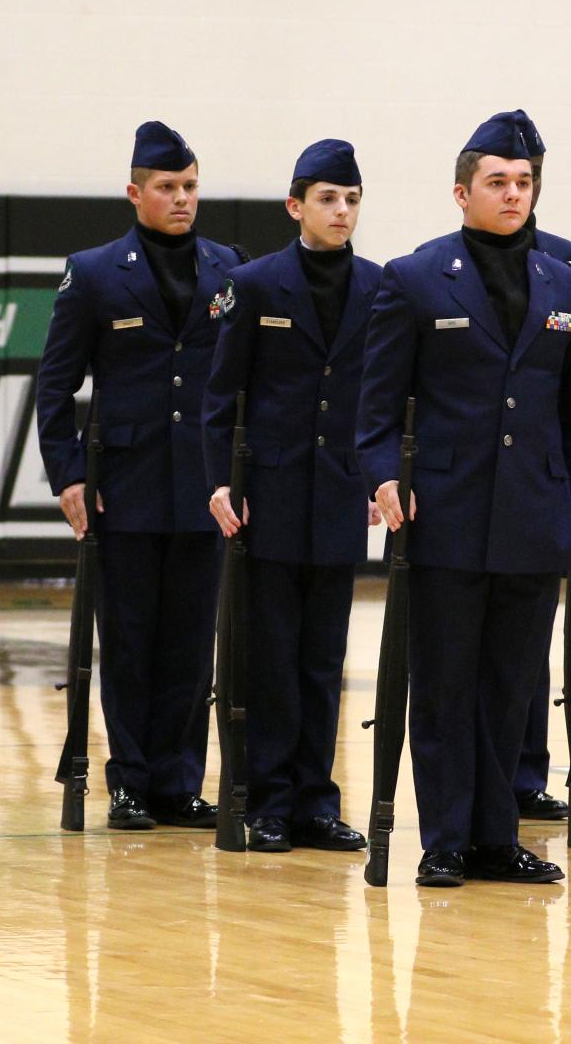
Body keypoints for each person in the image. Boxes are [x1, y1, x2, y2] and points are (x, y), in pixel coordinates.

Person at [356, 115, 571, 886]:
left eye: (524, 181)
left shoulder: (565, 278)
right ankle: (446, 838)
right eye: (497, 181)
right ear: (462, 192)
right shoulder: (416, 275)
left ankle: (498, 835)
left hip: (535, 509)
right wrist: (382, 475)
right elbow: (375, 404)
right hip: (448, 510)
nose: (513, 193)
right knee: (444, 684)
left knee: (512, 687)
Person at [35, 121, 241, 833]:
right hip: (122, 484)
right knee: (127, 642)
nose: (181, 199)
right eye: (166, 187)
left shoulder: (227, 269)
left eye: (189, 186)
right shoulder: (94, 271)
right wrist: (66, 473)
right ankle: (129, 780)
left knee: (190, 644)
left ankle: (179, 783)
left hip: (205, 487)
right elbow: (54, 384)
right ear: (135, 192)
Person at [203, 140, 381, 853]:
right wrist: (220, 479)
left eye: (351, 200)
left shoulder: (378, 285)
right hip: (269, 493)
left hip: (338, 494)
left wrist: (376, 475)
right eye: (329, 199)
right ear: (295, 205)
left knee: (322, 658)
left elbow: (382, 391)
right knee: (269, 656)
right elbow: (221, 393)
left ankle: (316, 799)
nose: (341, 212)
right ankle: (267, 797)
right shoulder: (255, 284)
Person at [497, 109, 571, 824]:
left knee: (534, 648)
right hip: (477, 483)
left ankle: (530, 773)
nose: (516, 186)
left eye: (527, 172)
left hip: (544, 482)